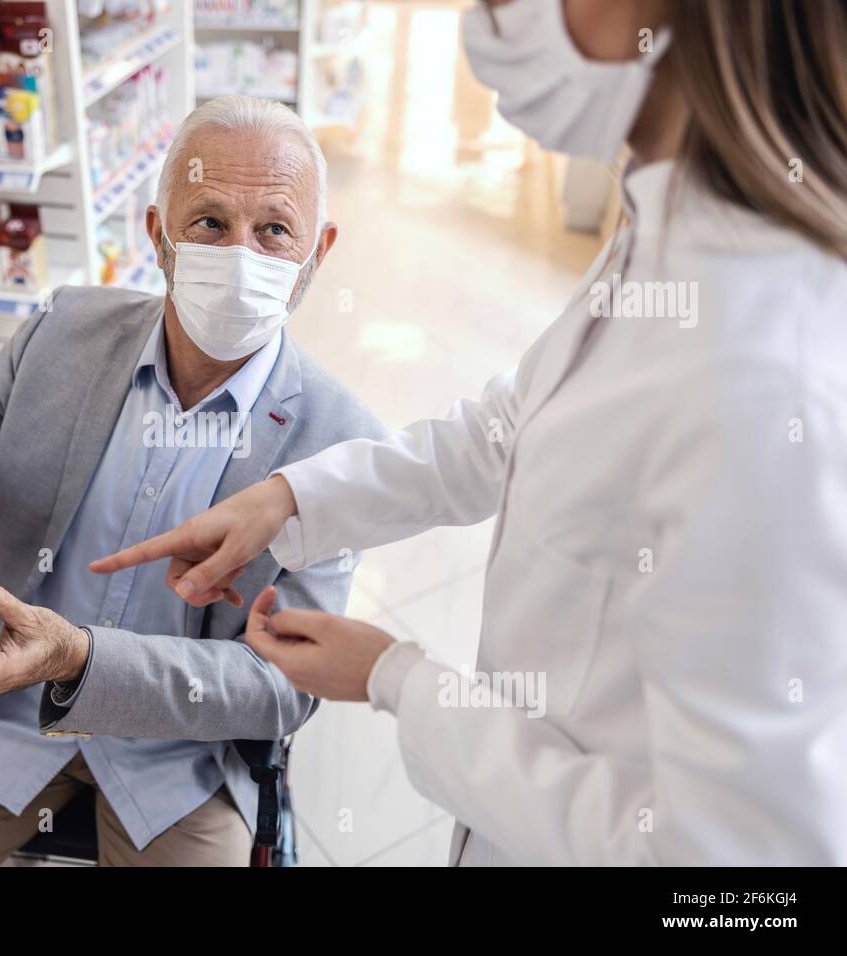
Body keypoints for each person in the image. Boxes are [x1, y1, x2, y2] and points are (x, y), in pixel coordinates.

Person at [93, 0, 847, 865]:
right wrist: (288, 498)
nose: (492, 18)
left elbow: (743, 876)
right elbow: (506, 428)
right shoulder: (664, 230)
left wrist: (399, 681)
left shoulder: (766, 372)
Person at [0, 96, 385, 866]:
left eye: (273, 230)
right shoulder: (63, 332)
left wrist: (84, 664)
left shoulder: (340, 439)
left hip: (180, 757)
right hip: (3, 712)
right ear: (158, 234)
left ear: (317, 253)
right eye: (209, 223)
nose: (239, 257)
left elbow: (283, 686)